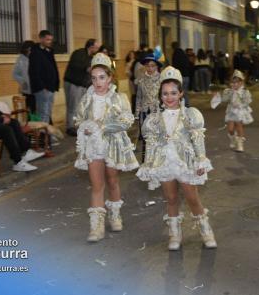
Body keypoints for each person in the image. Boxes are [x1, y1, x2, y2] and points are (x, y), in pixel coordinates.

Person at [136, 66, 216, 251]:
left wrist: (201, 160)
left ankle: (206, 231)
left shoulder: (190, 115)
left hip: (185, 163)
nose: (169, 97)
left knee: (192, 198)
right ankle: (174, 233)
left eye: (173, 93)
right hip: (165, 163)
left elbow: (197, 138)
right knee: (171, 198)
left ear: (181, 94)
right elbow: (151, 143)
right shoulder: (154, 120)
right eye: (165, 93)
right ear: (160, 95)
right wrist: (149, 165)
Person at [73, 53, 138, 242]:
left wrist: (104, 127)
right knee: (96, 185)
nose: (97, 82)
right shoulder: (87, 99)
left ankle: (115, 214)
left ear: (110, 77)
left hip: (112, 146)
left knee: (112, 181)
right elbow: (78, 120)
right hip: (93, 147)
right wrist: (84, 128)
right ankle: (96, 226)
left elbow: (127, 120)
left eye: (102, 77)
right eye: (94, 78)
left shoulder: (119, 98)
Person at [64, 39, 99, 136]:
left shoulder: (91, 57)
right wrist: (87, 68)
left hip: (82, 84)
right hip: (74, 83)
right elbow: (75, 65)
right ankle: (70, 127)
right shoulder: (79, 53)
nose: (97, 49)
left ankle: (76, 125)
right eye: (96, 47)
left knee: (79, 106)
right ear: (91, 47)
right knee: (73, 105)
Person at [215, 70, 253, 152]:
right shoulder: (229, 91)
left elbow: (247, 101)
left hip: (240, 111)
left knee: (239, 126)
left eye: (237, 82)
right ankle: (233, 139)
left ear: (241, 83)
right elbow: (225, 99)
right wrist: (218, 96)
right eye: (233, 82)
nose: (234, 84)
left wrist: (241, 105)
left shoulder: (244, 92)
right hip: (231, 111)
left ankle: (240, 144)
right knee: (230, 129)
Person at [134, 54, 162, 162]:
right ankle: (146, 161)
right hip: (145, 112)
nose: (150, 68)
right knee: (146, 137)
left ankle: (158, 161)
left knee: (157, 137)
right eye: (148, 66)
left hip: (157, 112)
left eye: (153, 66)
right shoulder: (141, 80)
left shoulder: (161, 79)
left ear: (156, 67)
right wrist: (137, 113)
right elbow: (139, 97)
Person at [29, 30, 60, 124]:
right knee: (42, 113)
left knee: (48, 112)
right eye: (47, 40)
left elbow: (53, 68)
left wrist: (56, 83)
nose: (49, 42)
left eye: (51, 40)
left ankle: (47, 135)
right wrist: (42, 87)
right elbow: (34, 72)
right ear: (41, 39)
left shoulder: (49, 51)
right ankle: (43, 136)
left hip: (51, 87)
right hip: (42, 89)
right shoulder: (35, 52)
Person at [12, 40, 36, 113]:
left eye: (31, 50)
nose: (30, 52)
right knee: (29, 110)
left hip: (38, 90)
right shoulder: (20, 60)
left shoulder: (37, 58)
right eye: (28, 50)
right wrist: (23, 82)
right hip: (27, 91)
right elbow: (15, 74)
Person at [171, 42, 191, 107]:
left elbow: (175, 65)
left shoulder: (175, 54)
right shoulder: (184, 53)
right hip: (186, 75)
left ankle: (182, 105)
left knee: (179, 91)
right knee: (185, 91)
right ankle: (187, 104)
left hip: (180, 75)